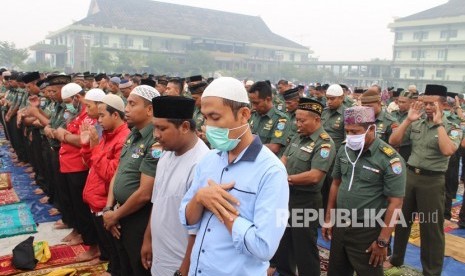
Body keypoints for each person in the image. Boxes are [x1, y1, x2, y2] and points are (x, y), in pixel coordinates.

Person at [179, 77, 289, 275]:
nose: (209, 126)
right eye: (205, 118)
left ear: (244, 114)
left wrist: (223, 211)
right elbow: (187, 220)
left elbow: (264, 246)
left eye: (216, 117)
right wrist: (200, 198)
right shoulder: (209, 159)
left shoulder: (271, 171)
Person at [387, 84, 462, 276]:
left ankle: (431, 271)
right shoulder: (417, 122)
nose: (427, 107)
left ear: (443, 105)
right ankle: (396, 257)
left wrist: (438, 125)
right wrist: (407, 121)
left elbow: (448, 151)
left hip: (432, 180)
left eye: (432, 104)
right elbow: (393, 142)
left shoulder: (452, 126)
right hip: (410, 176)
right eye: (425, 103)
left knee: (431, 228)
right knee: (402, 221)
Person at [322, 106, 406, 276]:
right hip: (341, 223)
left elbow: (395, 203)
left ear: (372, 129)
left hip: (368, 230)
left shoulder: (389, 159)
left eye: (356, 132)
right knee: (336, 271)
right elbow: (336, 183)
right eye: (348, 131)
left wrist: (382, 241)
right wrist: (329, 217)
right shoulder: (344, 150)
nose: (351, 137)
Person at [141, 96, 209, 276]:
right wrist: (148, 238)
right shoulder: (166, 154)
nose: (156, 134)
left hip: (181, 261)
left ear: (185, 127)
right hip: (160, 254)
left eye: (162, 128)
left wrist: (185, 268)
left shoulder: (202, 164)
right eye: (154, 127)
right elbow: (158, 202)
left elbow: (199, 228)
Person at [273, 98, 336, 276]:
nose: (297, 124)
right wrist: (277, 174)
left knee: (304, 250)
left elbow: (315, 176)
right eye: (297, 119)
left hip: (305, 203)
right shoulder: (297, 137)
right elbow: (283, 160)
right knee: (283, 245)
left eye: (302, 120)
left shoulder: (324, 144)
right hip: (286, 199)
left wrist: (286, 179)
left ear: (316, 120)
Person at [103, 85, 159, 276]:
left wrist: (115, 216)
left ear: (150, 109)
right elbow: (118, 172)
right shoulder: (132, 134)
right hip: (120, 212)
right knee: (124, 264)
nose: (126, 109)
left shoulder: (155, 140)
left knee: (139, 267)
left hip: (138, 218)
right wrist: (109, 209)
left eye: (132, 104)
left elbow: (145, 193)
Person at [81, 94, 130, 276]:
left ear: (115, 115)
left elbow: (111, 174)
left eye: (102, 116)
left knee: (117, 249)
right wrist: (87, 146)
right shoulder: (106, 135)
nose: (98, 120)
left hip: (106, 203)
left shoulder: (123, 138)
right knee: (109, 248)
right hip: (96, 200)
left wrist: (94, 148)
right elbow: (91, 164)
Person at [54, 82, 99, 259]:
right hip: (68, 164)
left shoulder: (89, 115)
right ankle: (78, 231)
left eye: (68, 101)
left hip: (78, 166)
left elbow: (82, 140)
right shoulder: (77, 114)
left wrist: (64, 135)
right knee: (73, 204)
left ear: (77, 98)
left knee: (82, 208)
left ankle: (93, 245)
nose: (67, 105)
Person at [249, 81, 291, 157]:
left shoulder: (281, 119)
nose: (253, 107)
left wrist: (247, 148)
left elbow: (274, 147)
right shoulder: (253, 115)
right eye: (252, 103)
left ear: (268, 99)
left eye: (256, 103)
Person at [390, 90, 415, 162]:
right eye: (399, 101)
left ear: (411, 103)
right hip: (391, 147)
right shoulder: (392, 114)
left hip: (406, 149)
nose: (400, 104)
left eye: (403, 102)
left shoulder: (414, 116)